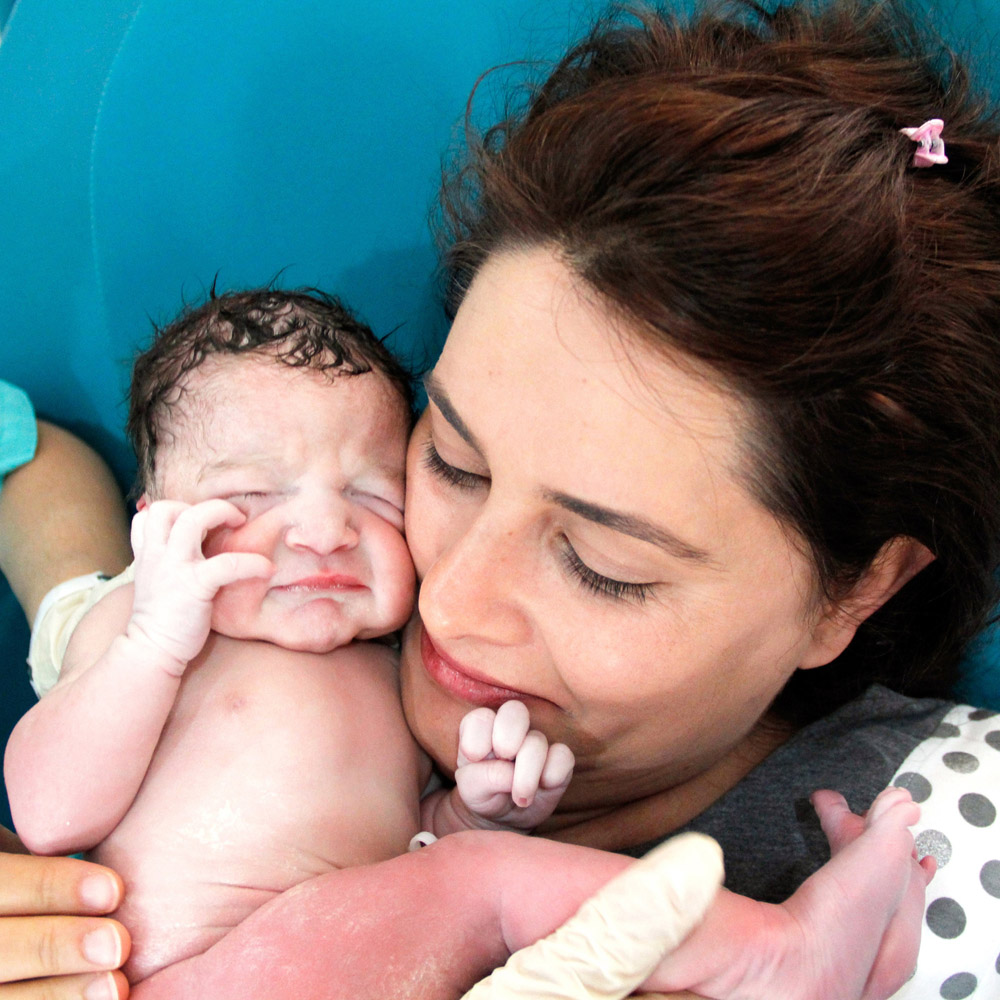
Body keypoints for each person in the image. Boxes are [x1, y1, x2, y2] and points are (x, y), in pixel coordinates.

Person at [3, 0, 1000, 996]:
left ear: (854, 590)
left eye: (602, 566)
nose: (452, 602)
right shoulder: (284, 612)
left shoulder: (950, 834)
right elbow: (45, 492)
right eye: (452, 465)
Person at [1, 290, 931, 1000]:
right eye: (252, 499)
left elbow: (403, 862)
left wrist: (476, 815)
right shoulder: (145, 628)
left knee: (471, 869)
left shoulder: (386, 674)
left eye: (372, 496)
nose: (324, 532)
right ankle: (774, 954)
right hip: (180, 972)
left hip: (333, 957)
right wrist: (151, 646)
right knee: (483, 888)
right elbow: (48, 814)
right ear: (157, 526)